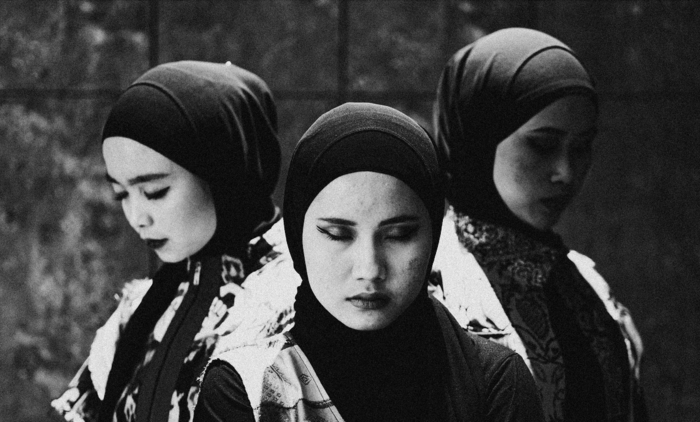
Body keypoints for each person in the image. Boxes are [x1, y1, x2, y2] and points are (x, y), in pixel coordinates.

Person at [194, 102, 544, 421]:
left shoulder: (496, 382)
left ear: (434, 236)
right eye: (337, 234)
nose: (369, 269)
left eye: (399, 235)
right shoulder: (244, 387)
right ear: (297, 237)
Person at [50, 61, 299, 421]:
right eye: (121, 194)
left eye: (155, 191)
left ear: (223, 172)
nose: (137, 217)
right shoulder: (146, 307)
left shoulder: (292, 303)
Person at [430, 27, 648, 422]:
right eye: (542, 144)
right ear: (479, 140)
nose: (566, 172)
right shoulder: (430, 285)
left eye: (581, 147)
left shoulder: (586, 284)